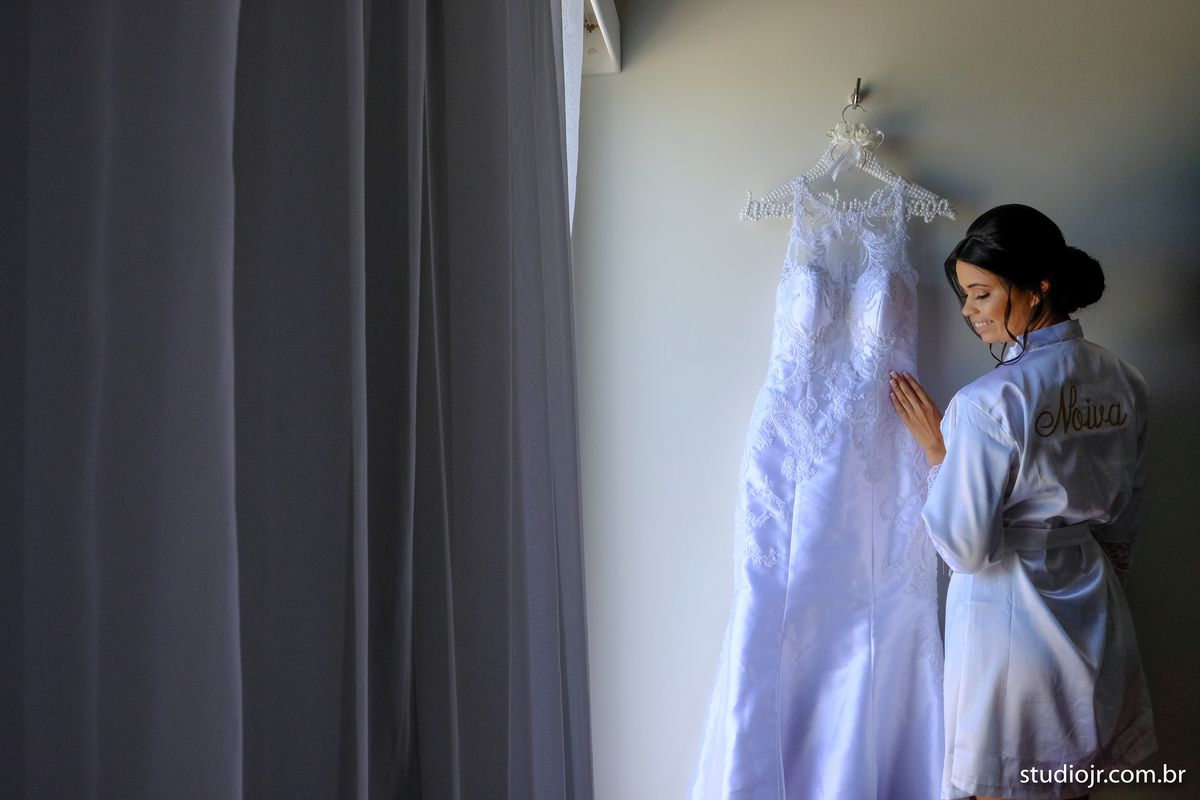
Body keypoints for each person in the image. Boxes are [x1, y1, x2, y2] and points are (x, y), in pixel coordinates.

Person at [887, 205, 1158, 800]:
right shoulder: (1124, 380)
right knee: (1076, 780)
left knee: (1003, 783)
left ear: (1038, 289)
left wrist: (940, 453)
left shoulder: (990, 401)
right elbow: (1126, 517)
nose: (968, 312)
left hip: (1010, 617)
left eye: (981, 294)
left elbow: (964, 547)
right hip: (1095, 606)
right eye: (964, 295)